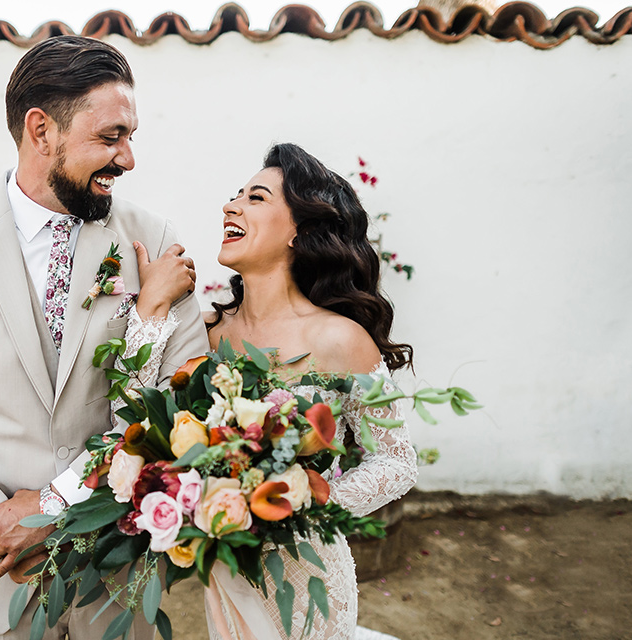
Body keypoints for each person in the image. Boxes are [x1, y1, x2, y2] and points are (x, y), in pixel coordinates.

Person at [0, 35, 209, 640]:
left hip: (115, 575)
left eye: (130, 137)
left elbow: (184, 406)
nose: (128, 159)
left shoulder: (153, 241)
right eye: (110, 138)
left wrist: (57, 507)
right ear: (41, 130)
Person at [129, 142, 419, 639]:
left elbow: (396, 461)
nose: (231, 205)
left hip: (309, 580)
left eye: (256, 198)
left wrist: (293, 507)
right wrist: (152, 308)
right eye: (235, 195)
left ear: (299, 231)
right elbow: (135, 416)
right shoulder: (207, 337)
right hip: (226, 576)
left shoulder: (341, 339)